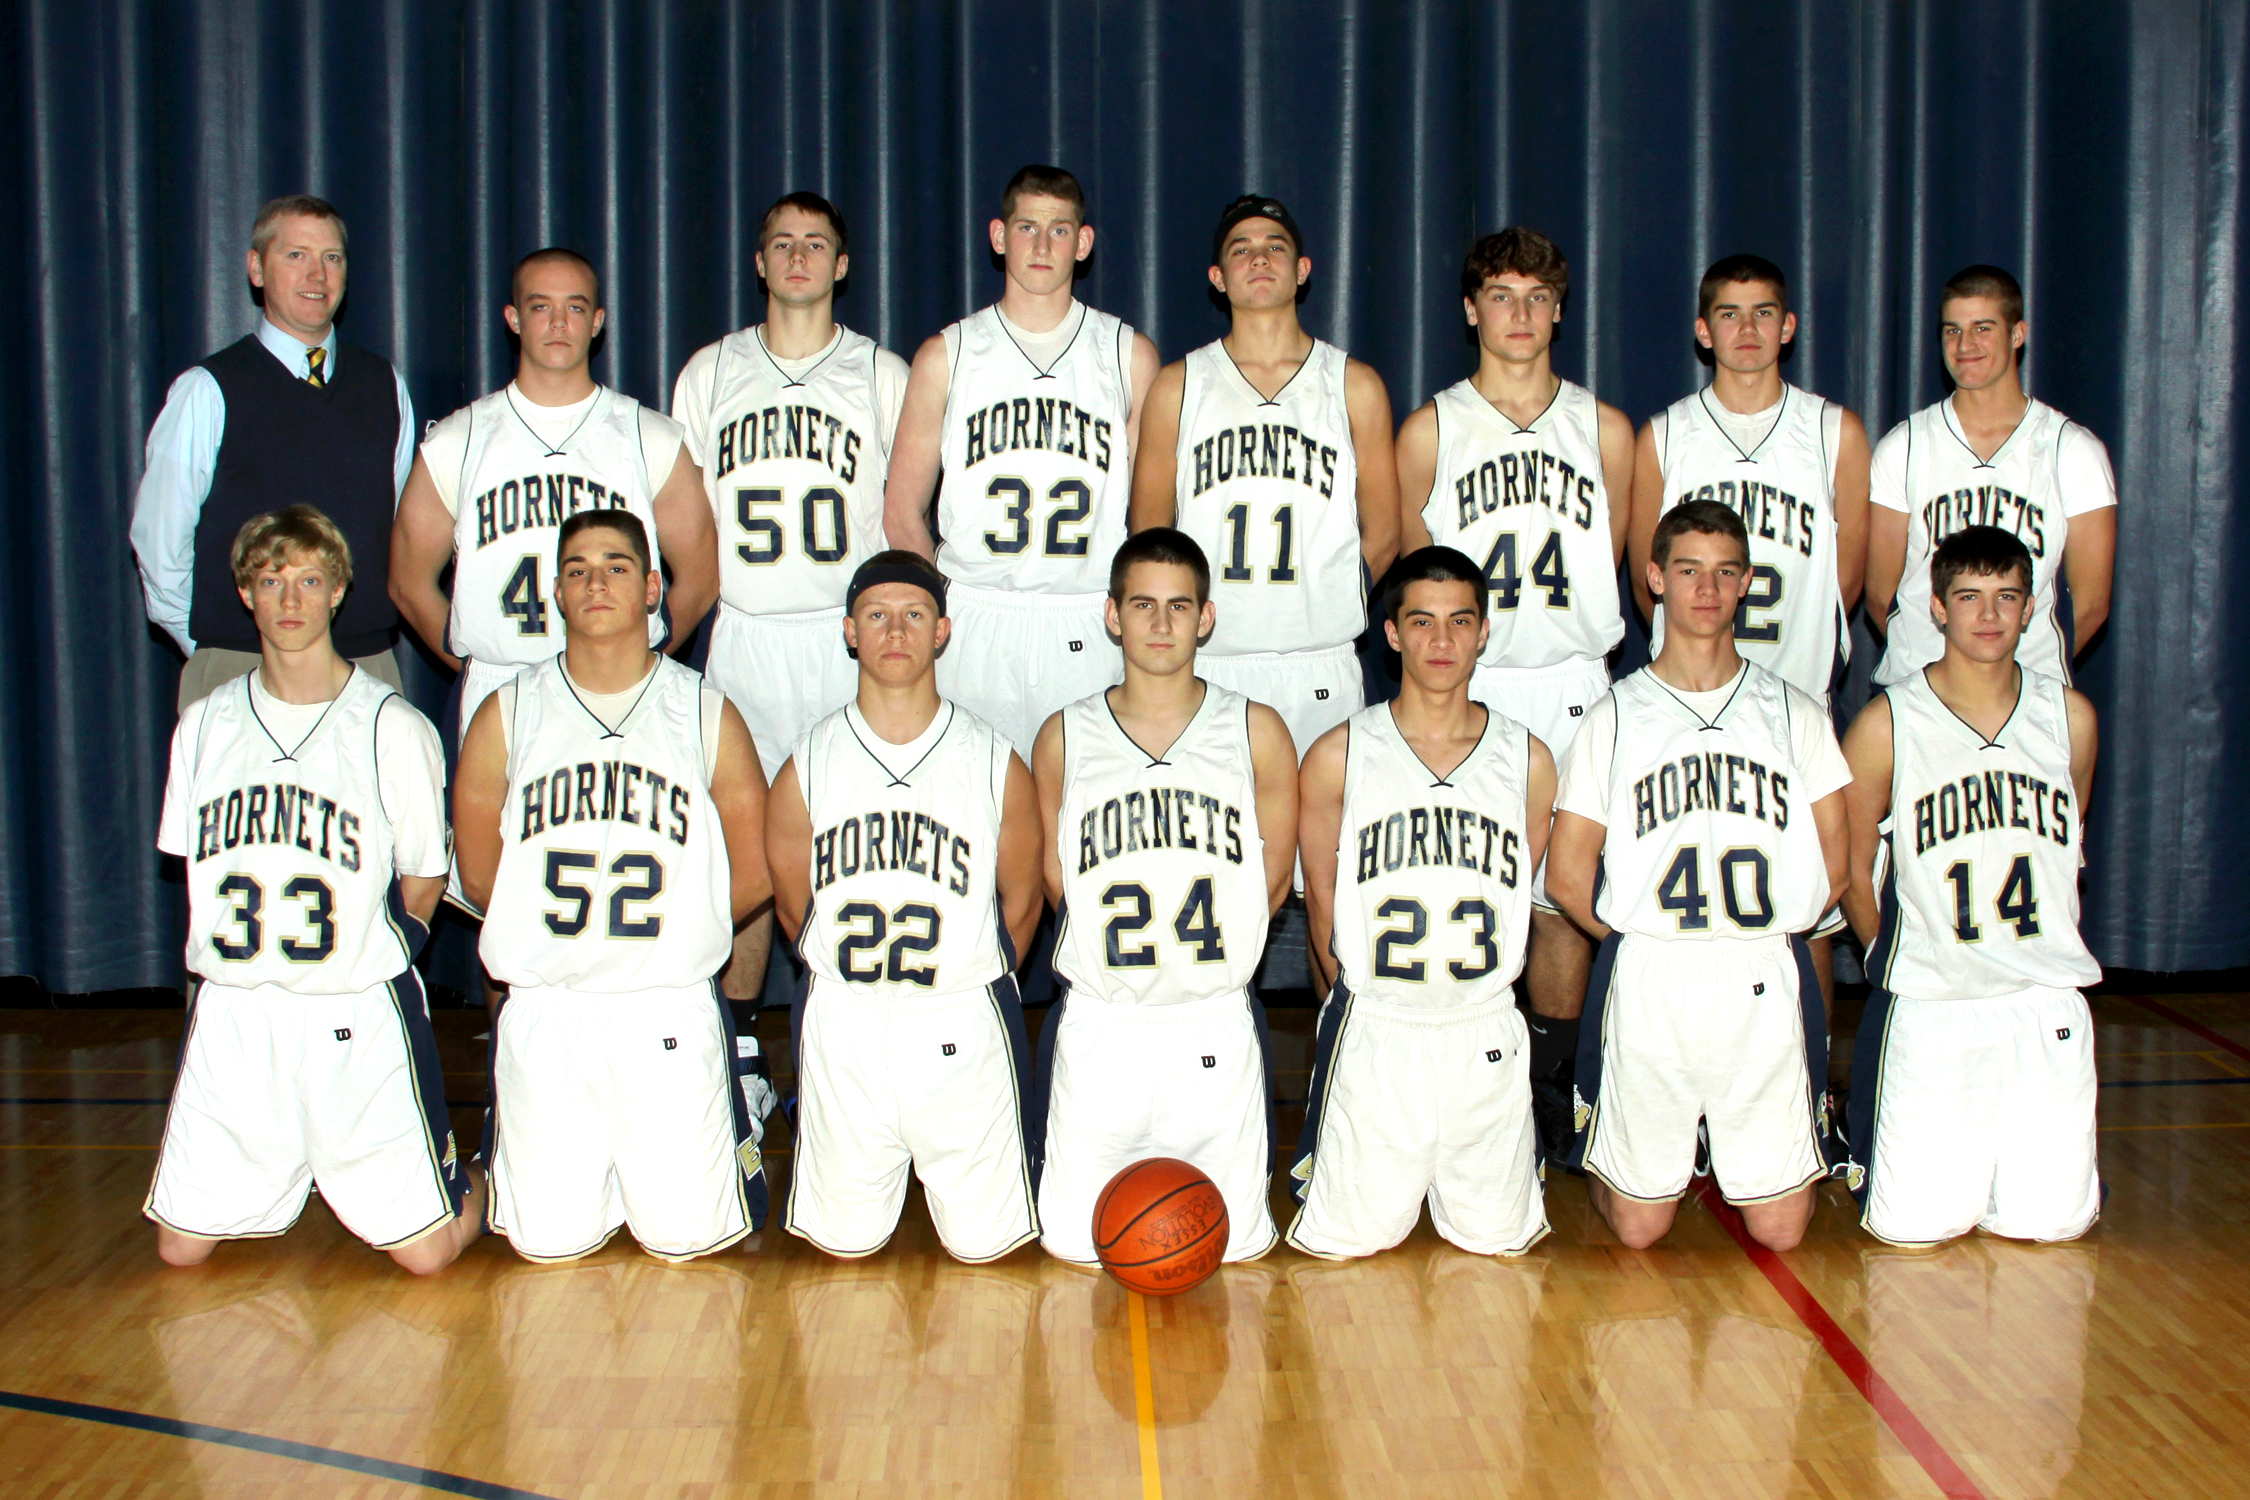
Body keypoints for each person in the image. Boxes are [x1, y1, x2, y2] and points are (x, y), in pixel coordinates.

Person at [145, 505, 479, 1274]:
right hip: (239, 1009)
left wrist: (387, 953)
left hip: (349, 1008)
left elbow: (424, 873)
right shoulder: (204, 725)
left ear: (338, 591)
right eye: (271, 581)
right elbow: (188, 865)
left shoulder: (391, 726)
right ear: (245, 594)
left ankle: (483, 1177)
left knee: (427, 1257)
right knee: (180, 1250)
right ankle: (291, 1163)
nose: (290, 599)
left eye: (309, 580)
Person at [453, 511, 770, 1261]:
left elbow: (755, 868)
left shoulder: (703, 710)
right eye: (578, 570)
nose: (596, 582)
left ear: (653, 588)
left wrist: (677, 936)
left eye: (617, 567)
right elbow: (479, 873)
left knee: (688, 1239)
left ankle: (738, 1102)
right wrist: (562, 944)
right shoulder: (508, 713)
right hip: (551, 1009)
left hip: (664, 1006)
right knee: (547, 1247)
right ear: (558, 593)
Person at [1546, 501, 1851, 1253]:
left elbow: (1838, 864)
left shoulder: (1795, 713)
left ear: (1747, 582)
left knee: (1781, 1233)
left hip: (1760, 970)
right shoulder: (1616, 715)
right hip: (1654, 971)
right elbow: (1566, 874)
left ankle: (1721, 1139)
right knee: (1641, 1230)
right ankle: (1644, 1149)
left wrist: (1772, 938)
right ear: (1656, 579)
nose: (1706, 590)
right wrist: (1633, 945)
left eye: (1724, 572)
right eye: (1688, 571)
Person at [1394, 227, 1632, 1150]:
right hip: (1473, 679)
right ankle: (1465, 1087)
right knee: (1469, 882)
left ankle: (1553, 1089)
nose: (1520, 314)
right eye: (1501, 295)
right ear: (1471, 310)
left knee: (1560, 898)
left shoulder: (1606, 430)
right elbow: (1418, 574)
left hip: (1574, 682)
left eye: (1538, 297)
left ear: (1560, 310)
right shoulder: (1432, 428)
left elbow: (1619, 557)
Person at [764, 551, 1046, 1262]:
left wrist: (969, 977)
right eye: (877, 615)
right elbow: (796, 911)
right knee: (846, 1245)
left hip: (959, 1020)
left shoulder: (994, 761)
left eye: (914, 615)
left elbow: (1022, 904)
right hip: (847, 1021)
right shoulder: (807, 764)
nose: (896, 631)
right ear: (850, 631)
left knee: (987, 1248)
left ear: (942, 631)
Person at [1031, 528, 1298, 1267]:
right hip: (1104, 1024)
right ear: (1111, 615)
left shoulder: (1256, 731)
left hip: (1211, 1021)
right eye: (1142, 604)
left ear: (1205, 618)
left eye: (1178, 606)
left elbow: (1274, 881)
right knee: (1073, 1251)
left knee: (1233, 1252)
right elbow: (1057, 882)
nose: (1160, 623)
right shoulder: (1063, 736)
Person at [669, 193, 909, 1002]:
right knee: (742, 849)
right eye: (782, 243)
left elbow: (910, 515)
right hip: (745, 633)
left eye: (814, 243)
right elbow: (684, 525)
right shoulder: (710, 372)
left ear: (842, 265)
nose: (798, 256)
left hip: (845, 641)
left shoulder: (880, 374)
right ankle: (739, 1039)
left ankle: (845, 1014)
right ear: (759, 262)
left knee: (849, 841)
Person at [1289, 545, 1555, 1259]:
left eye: (1460, 621)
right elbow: (1322, 910)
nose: (1442, 640)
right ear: (1393, 633)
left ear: (1484, 631)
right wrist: (1344, 1019)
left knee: (1497, 1244)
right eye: (1423, 621)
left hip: (1483, 1026)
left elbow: (1517, 895)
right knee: (1351, 1246)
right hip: (1380, 1024)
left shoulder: (1527, 759)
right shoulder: (1339, 754)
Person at [1841, 526, 2102, 1245]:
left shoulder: (2071, 719)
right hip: (1938, 1005)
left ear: (2029, 607)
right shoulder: (1887, 723)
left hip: (2044, 996)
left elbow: (2070, 840)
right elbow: (1851, 866)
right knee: (1912, 1232)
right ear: (1937, 607)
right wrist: (1890, 957)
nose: (1989, 615)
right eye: (1969, 597)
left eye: (2007, 597)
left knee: (2052, 1228)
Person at [1628, 253, 1873, 1016]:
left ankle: (1809, 1069)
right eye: (1729, 314)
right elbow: (1645, 576)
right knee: (1689, 891)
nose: (1747, 329)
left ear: (1788, 326)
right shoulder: (1666, 435)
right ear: (1703, 331)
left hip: (1795, 700)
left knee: (1808, 905)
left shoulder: (1834, 432)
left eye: (1763, 312)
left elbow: (1848, 582)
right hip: (1689, 704)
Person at [883, 165, 1161, 756]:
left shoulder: (1127, 355)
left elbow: (1151, 516)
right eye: (1027, 227)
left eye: (1059, 230)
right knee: (976, 798)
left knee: (1085, 797)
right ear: (998, 236)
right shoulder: (948, 354)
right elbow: (901, 511)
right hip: (976, 611)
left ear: (1082, 243)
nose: (1041, 246)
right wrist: (941, 605)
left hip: (1086, 612)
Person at [391, 246, 717, 742]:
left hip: (618, 691)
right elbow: (407, 581)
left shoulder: (649, 436)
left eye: (575, 307)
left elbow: (702, 574)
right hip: (499, 686)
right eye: (541, 306)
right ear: (513, 319)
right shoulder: (458, 440)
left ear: (597, 321)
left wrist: (633, 660)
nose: (559, 322)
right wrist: (476, 661)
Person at [1134, 195, 1400, 759]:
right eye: (1241, 250)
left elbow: (1384, 531)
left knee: (1321, 820)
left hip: (1319, 661)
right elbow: (1150, 533)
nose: (1259, 258)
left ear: (1302, 270)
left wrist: (1334, 600)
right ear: (1218, 277)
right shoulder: (1178, 386)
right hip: (1208, 658)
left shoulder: (1353, 385)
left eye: (1275, 247)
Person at [132, 195, 416, 710]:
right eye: (296, 255)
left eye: (332, 257)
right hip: (240, 666)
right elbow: (160, 541)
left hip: (364, 667)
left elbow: (398, 528)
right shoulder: (208, 390)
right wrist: (215, 646)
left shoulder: (385, 386)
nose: (317, 274)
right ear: (257, 268)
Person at [1865, 264, 2117, 686]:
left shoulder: (2071, 450)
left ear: (2017, 334)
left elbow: (2091, 604)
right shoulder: (1904, 447)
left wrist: (2010, 683)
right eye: (1952, 330)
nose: (1965, 345)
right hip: (1919, 690)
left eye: (1982, 328)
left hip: (2029, 693)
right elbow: (1879, 594)